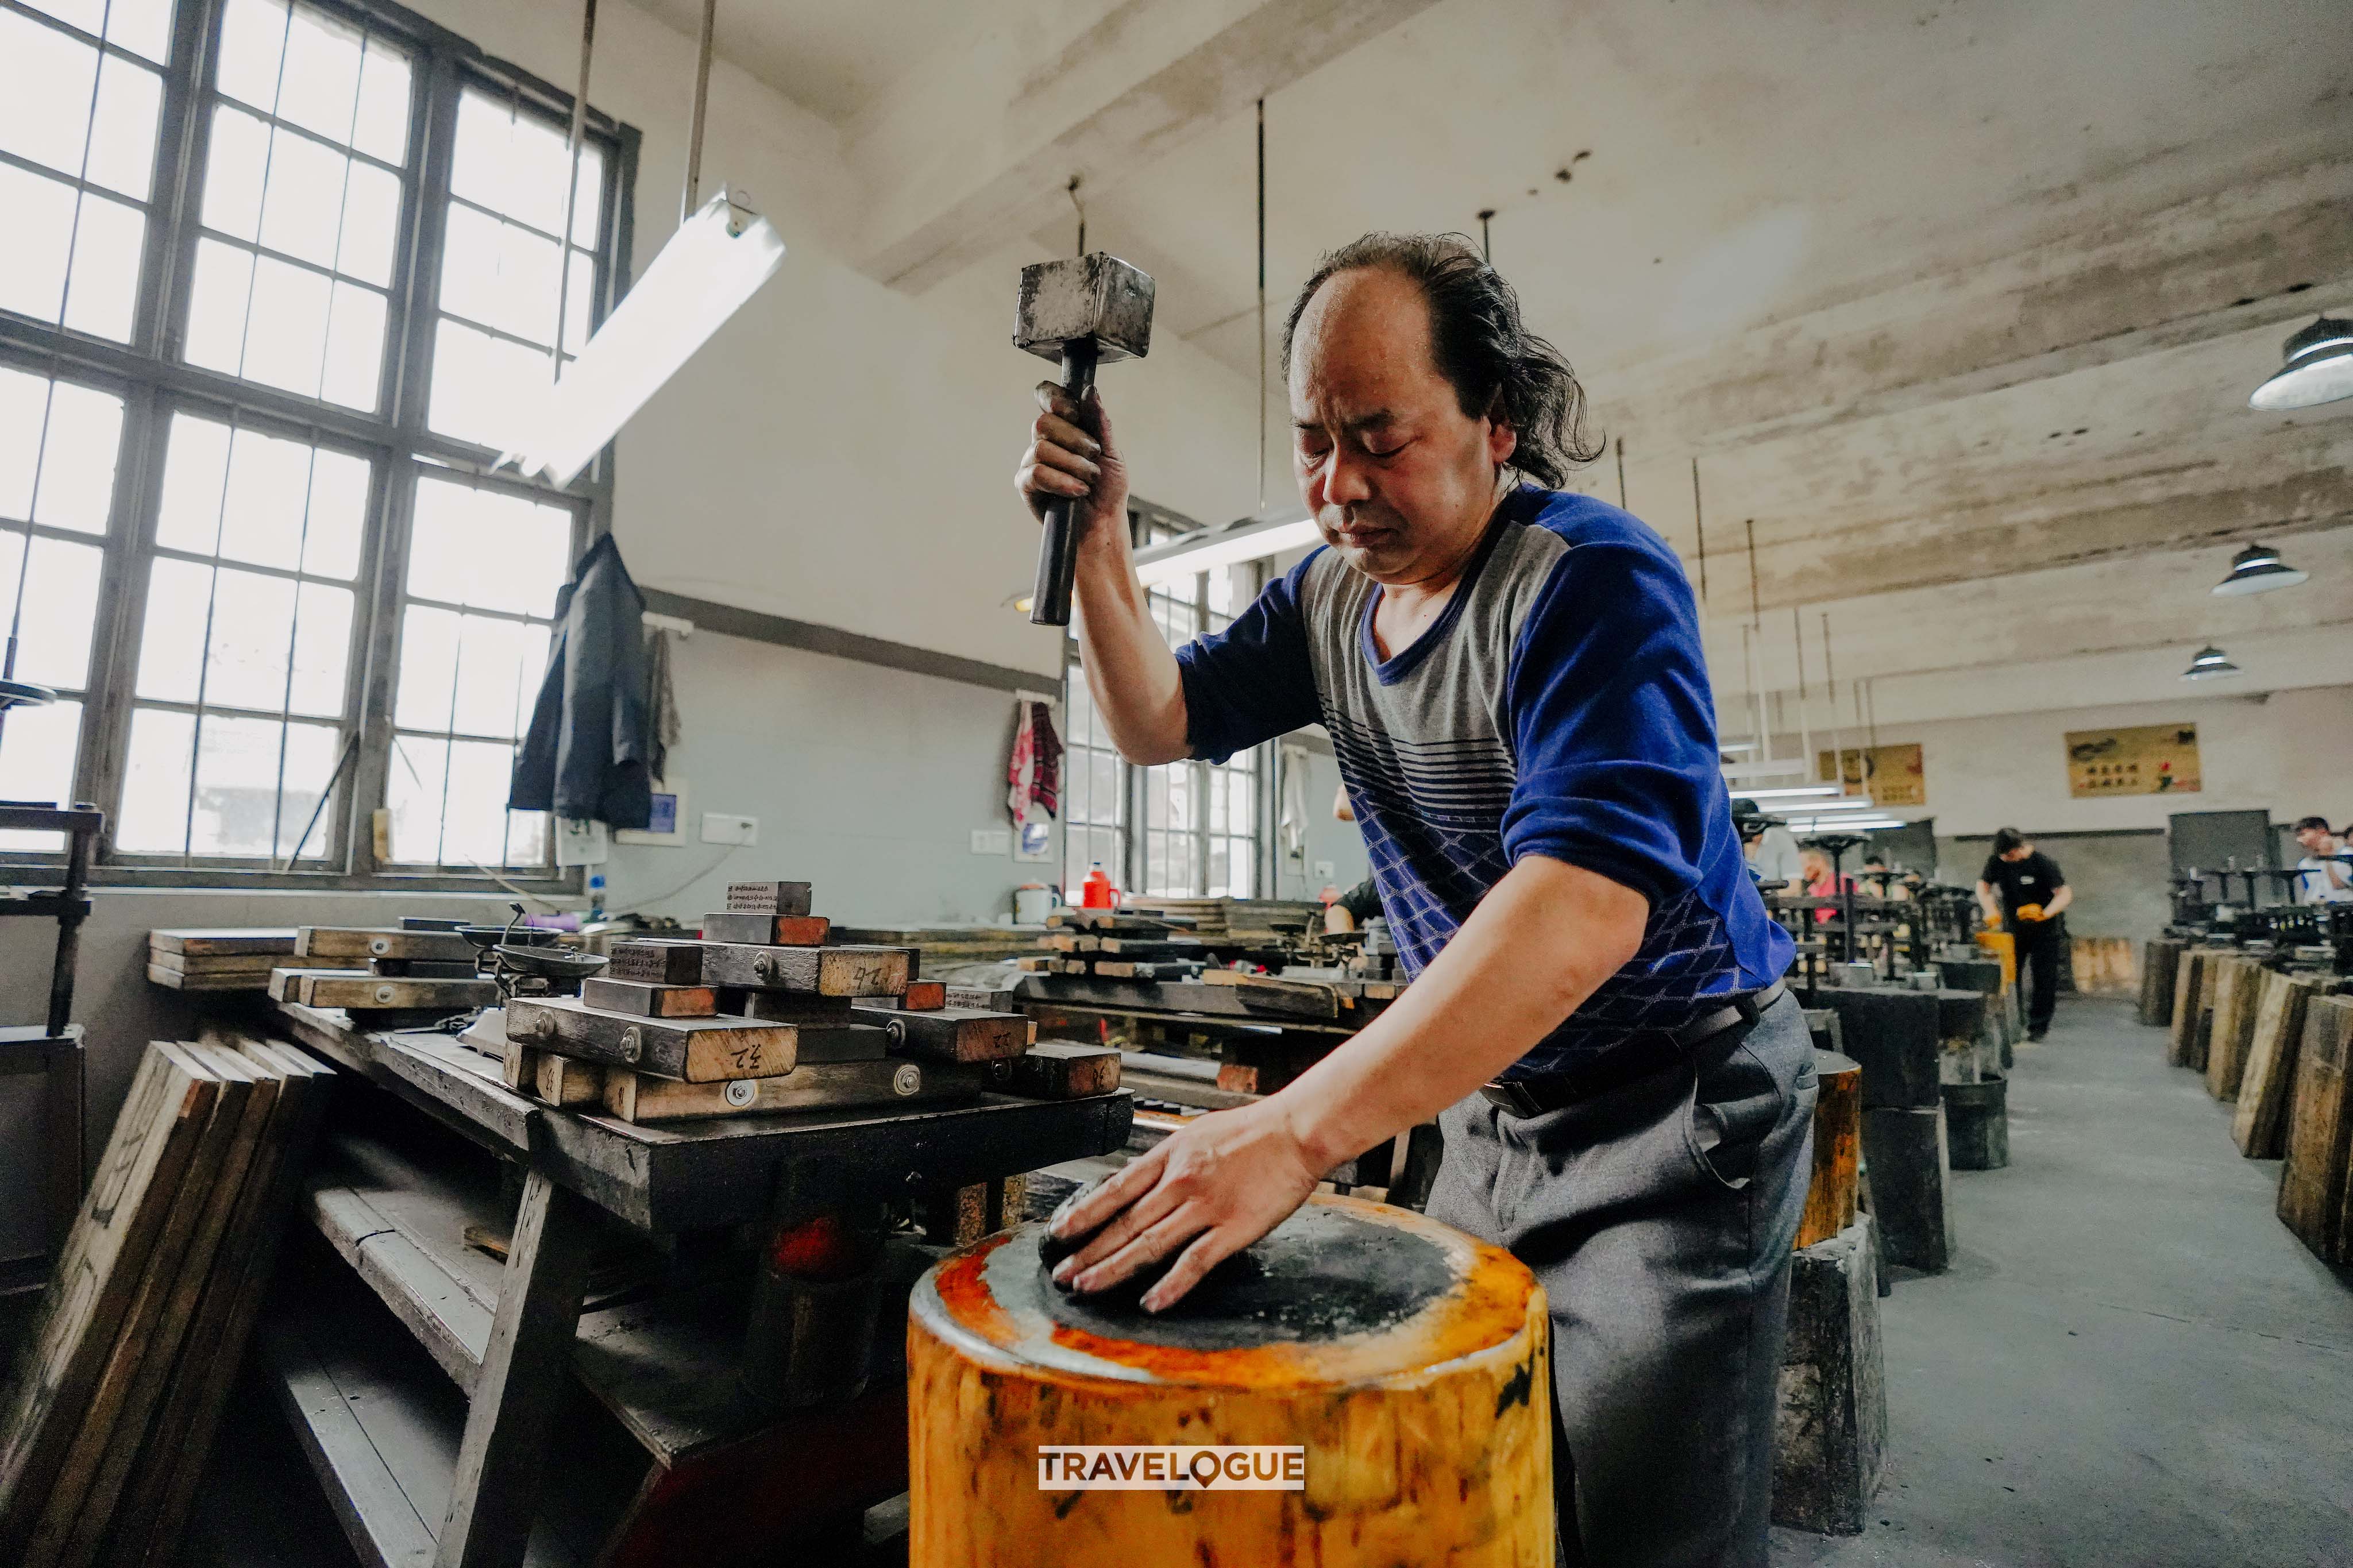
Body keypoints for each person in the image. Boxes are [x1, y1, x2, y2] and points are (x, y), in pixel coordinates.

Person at [1016, 231, 1810, 1566]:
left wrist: (1291, 1134)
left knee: (1633, 1519)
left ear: (1497, 423)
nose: (1338, 488)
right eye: (1312, 442)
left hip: (1674, 1117)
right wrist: (1101, 546)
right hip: (1490, 1110)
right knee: (1458, 1472)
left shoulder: (1589, 585)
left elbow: (1584, 907)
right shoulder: (1328, 602)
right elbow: (1157, 720)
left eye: (1378, 437)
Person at [1976, 827, 2071, 1041]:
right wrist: (1990, 909)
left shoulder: (2043, 863)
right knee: (2010, 977)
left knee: (2043, 979)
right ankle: (2013, 1023)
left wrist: (2045, 914)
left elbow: (2065, 894)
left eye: (2010, 856)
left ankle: (2038, 1027)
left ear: (2019, 849)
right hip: (2014, 930)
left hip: (2045, 932)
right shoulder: (1998, 862)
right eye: (2003, 857)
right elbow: (1983, 886)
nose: (2007, 860)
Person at [1733, 797, 1802, 887]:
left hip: (1773, 898)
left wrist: (1762, 898)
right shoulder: (1731, 844)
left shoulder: (1782, 840)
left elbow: (1794, 887)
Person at [2290, 816, 2352, 903]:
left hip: (2344, 910)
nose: (2300, 840)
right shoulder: (2305, 864)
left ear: (2322, 832)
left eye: (2303, 834)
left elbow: (2339, 885)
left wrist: (2328, 857)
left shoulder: (2346, 855)